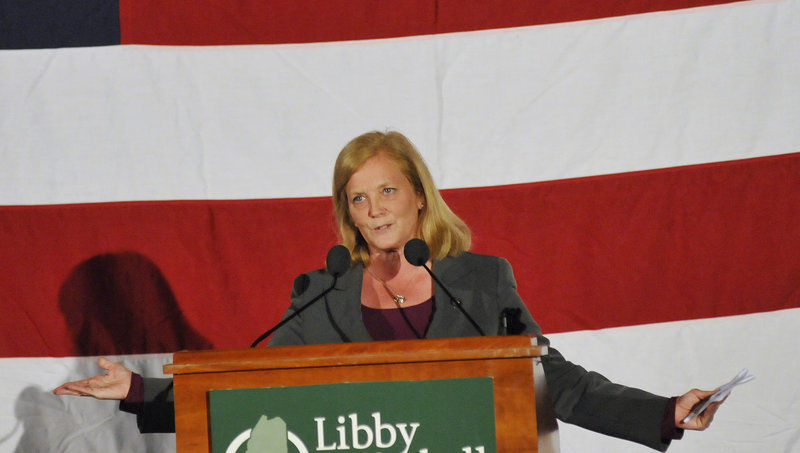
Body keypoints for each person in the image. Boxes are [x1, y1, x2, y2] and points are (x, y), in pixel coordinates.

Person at [55, 130, 724, 451]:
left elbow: (557, 382)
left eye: (386, 190)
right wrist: (138, 390)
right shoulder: (323, 292)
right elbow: (245, 392)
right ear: (346, 212)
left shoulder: (482, 282)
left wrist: (664, 412)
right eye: (357, 197)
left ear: (416, 196)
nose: (373, 208)